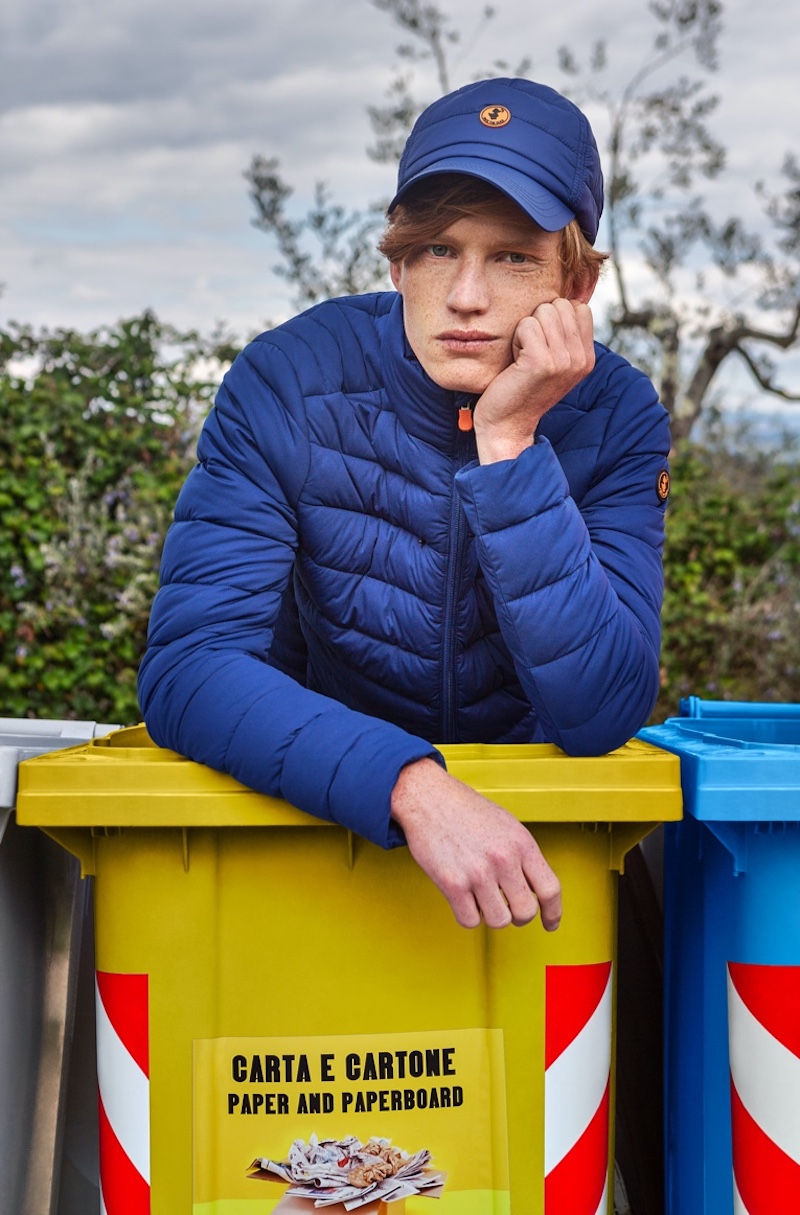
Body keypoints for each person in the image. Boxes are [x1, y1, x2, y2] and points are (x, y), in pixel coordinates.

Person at [138, 77, 670, 934]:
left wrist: (512, 444)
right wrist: (411, 786)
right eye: (437, 252)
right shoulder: (288, 378)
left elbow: (601, 707)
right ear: (396, 263)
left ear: (574, 285)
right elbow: (189, 667)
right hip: (316, 831)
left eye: (513, 257)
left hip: (541, 868)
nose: (466, 296)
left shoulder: (618, 413)